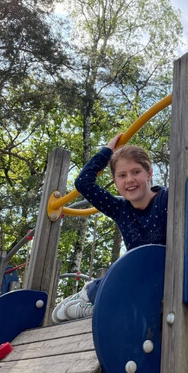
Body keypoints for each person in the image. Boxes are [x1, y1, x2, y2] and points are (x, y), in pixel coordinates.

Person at [52, 133, 168, 323]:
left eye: (136, 172)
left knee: (129, 282)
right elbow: (83, 183)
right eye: (122, 175)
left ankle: (95, 298)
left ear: (149, 174)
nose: (129, 179)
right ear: (115, 182)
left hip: (160, 274)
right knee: (126, 276)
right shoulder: (120, 208)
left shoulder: (167, 199)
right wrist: (107, 151)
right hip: (137, 277)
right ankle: (88, 295)